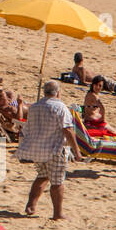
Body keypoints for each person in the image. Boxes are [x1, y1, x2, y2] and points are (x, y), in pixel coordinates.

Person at [19, 81, 80, 220]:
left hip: (38, 148)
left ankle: (31, 205)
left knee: (42, 175)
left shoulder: (34, 107)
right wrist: (76, 150)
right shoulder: (60, 107)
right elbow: (67, 130)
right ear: (58, 92)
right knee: (57, 182)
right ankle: (57, 213)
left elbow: (28, 128)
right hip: (55, 149)